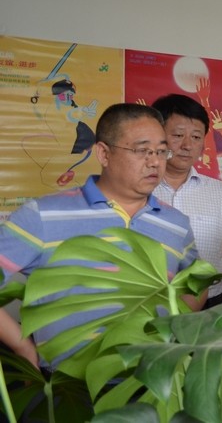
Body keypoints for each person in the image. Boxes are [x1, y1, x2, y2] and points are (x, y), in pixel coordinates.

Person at [0, 102, 202, 370]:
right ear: (104, 154)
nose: (155, 161)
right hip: (66, 383)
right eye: (142, 150)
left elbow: (198, 283)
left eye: (161, 151)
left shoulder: (176, 224)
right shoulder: (43, 215)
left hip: (151, 380)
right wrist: (22, 346)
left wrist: (175, 333)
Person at [151, 94, 222, 309]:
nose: (187, 145)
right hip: (150, 307)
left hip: (213, 307)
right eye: (178, 135)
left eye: (196, 137)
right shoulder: (138, 189)